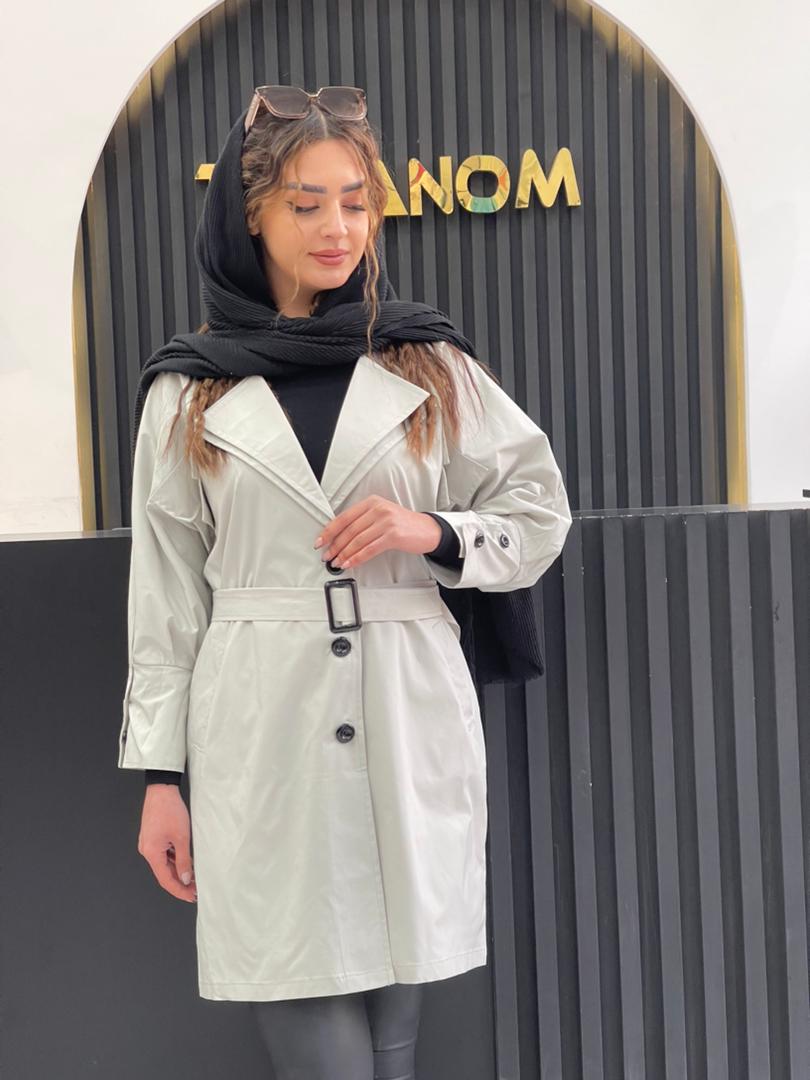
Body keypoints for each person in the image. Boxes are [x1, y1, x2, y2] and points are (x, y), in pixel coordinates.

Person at [117, 85, 572, 1078]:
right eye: (307, 203)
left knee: (395, 1029)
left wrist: (433, 530)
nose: (338, 228)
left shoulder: (429, 360)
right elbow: (166, 598)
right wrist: (162, 778)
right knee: (300, 997)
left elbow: (539, 515)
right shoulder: (188, 385)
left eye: (357, 202)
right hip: (261, 718)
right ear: (251, 216)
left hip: (405, 703)